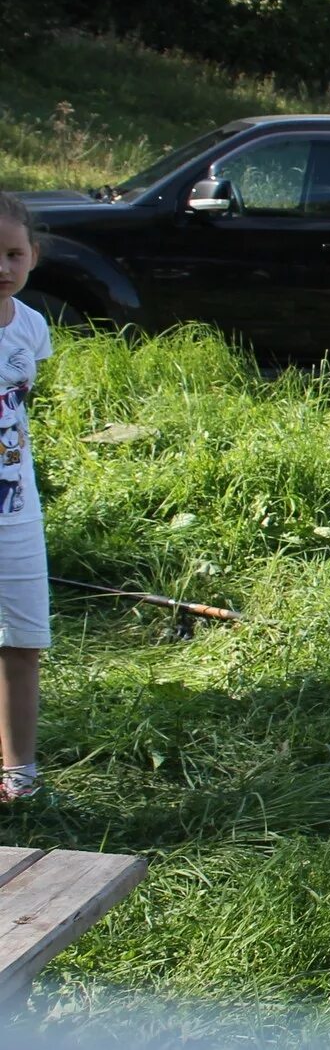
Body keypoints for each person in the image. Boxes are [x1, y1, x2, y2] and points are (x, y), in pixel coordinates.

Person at [0, 193, 53, 804]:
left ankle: (19, 772)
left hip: (17, 512)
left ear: (32, 257)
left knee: (21, 637)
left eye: (14, 254)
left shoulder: (33, 327)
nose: (3, 266)